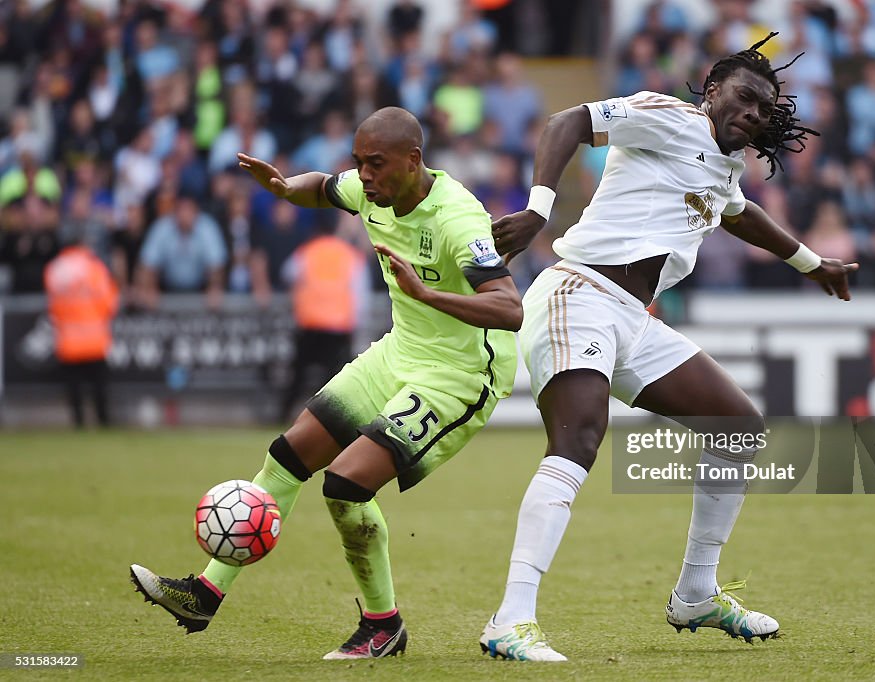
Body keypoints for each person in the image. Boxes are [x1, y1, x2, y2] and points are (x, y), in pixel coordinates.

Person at [479, 34, 858, 661]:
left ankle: (696, 592)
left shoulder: (723, 165)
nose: (753, 114)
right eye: (743, 97)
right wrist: (540, 210)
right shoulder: (670, 116)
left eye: (764, 110)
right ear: (711, 92)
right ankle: (510, 619)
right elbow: (568, 120)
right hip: (580, 291)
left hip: (633, 316)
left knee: (737, 426)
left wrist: (811, 263)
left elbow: (737, 213)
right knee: (578, 440)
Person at [129, 107, 522, 660]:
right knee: (289, 454)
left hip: (460, 373)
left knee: (344, 484)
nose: (363, 175)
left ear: (413, 162)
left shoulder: (457, 219)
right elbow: (323, 188)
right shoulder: (371, 191)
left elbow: (509, 308)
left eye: (375, 165)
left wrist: (428, 294)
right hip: (400, 352)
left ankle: (382, 626)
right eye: (358, 163)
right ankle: (205, 592)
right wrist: (288, 188)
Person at [277, 222, 369, 423]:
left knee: (298, 375)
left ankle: (282, 415)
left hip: (309, 323)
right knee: (335, 378)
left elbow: (288, 273)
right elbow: (360, 293)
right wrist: (356, 323)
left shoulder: (309, 251)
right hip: (339, 326)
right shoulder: (349, 254)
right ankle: (332, 419)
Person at [43, 232, 120, 428]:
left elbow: (53, 306)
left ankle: (78, 423)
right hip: (94, 338)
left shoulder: (54, 269)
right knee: (99, 386)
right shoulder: (94, 267)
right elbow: (109, 301)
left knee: (74, 387)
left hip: (67, 338)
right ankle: (103, 422)